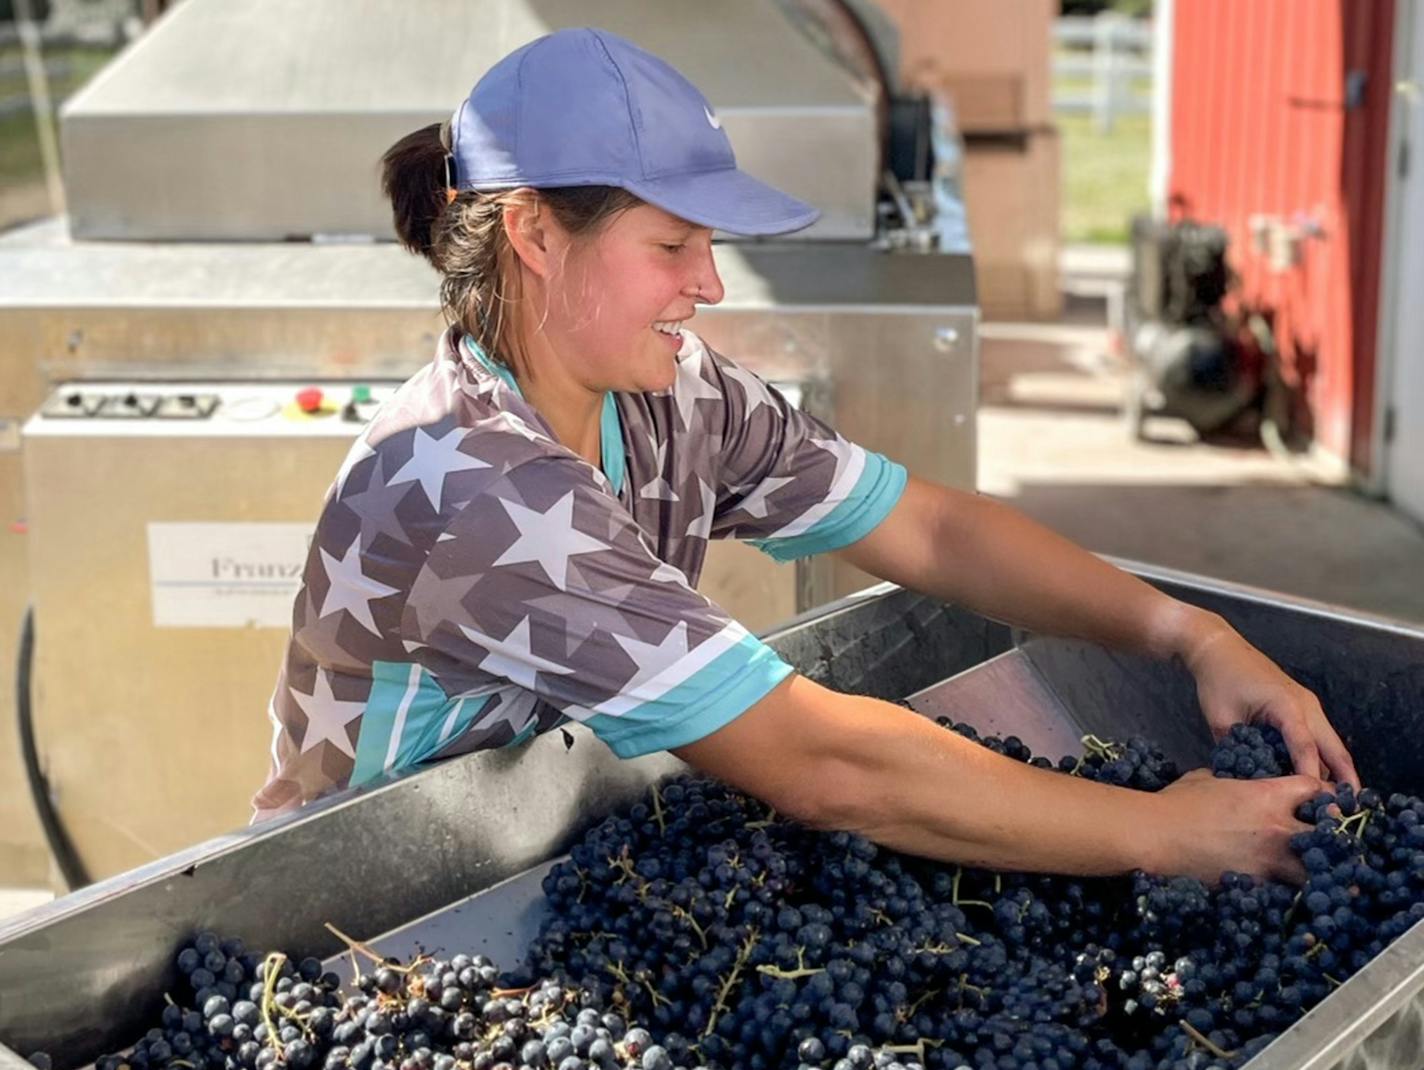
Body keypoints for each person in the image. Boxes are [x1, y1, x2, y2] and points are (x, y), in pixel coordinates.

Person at [252, 28, 1358, 885]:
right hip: (367, 941)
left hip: (521, 877)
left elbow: (926, 527)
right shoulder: (472, 486)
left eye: (710, 245)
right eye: (671, 244)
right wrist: (1164, 832)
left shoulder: (672, 395)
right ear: (534, 233)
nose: (710, 284)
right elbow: (823, 764)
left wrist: (1186, 631)